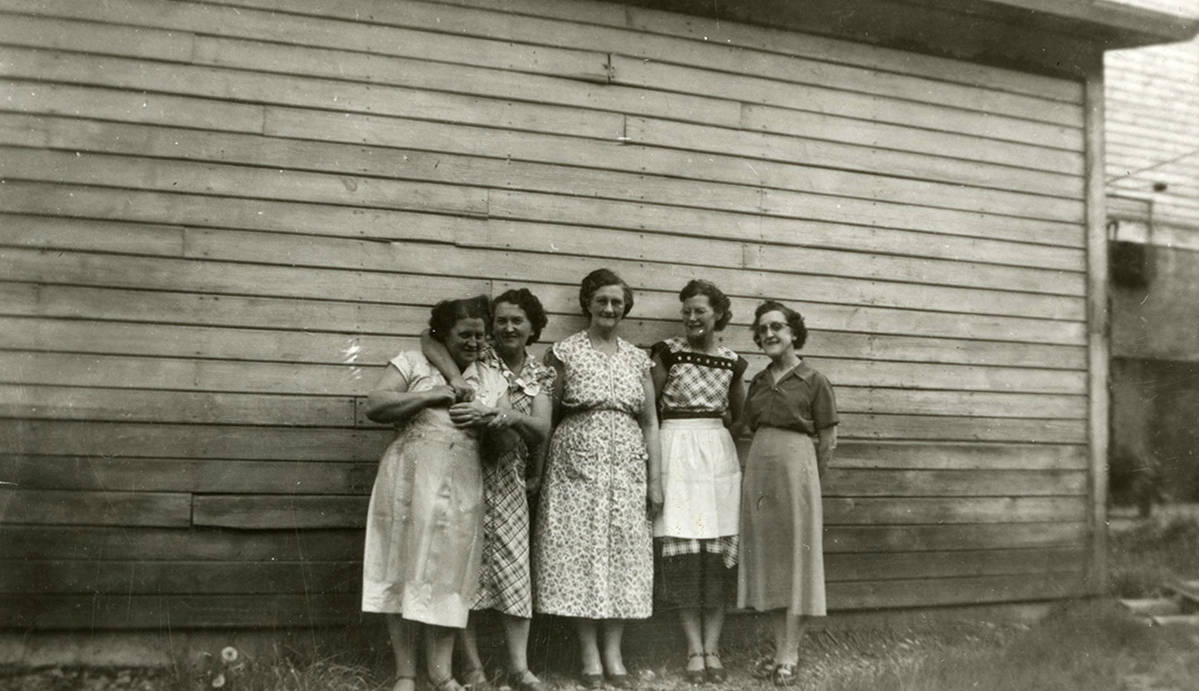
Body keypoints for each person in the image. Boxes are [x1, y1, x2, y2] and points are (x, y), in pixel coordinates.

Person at [362, 296, 510, 691]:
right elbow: (375, 404)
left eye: (480, 335)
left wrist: (490, 418)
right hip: (408, 481)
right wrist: (429, 396)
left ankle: (441, 674)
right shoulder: (413, 362)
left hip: (462, 485)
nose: (474, 343)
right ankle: (405, 674)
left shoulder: (492, 379)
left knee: (448, 578)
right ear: (443, 334)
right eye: (464, 335)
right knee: (400, 569)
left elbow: (507, 443)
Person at [533, 268, 663, 689]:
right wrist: (538, 471)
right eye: (602, 300)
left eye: (616, 302)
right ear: (587, 303)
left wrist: (655, 481)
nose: (609, 308)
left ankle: (614, 654)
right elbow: (548, 415)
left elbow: (650, 422)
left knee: (623, 554)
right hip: (575, 469)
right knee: (580, 555)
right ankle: (589, 655)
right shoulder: (564, 352)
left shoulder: (638, 359)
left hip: (626, 469)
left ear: (625, 308)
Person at [420, 289, 555, 691]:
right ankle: (473, 668)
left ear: (533, 328)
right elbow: (428, 339)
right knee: (466, 571)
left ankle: (520, 668)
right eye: (502, 321)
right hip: (467, 472)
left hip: (510, 478)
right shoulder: (479, 357)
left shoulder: (540, 373)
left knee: (515, 569)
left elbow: (541, 429)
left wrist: (502, 415)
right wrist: (457, 378)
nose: (509, 328)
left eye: (518, 321)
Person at [649, 279, 747, 685]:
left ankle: (713, 647)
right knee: (684, 551)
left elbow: (740, 418)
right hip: (675, 448)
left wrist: (718, 434)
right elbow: (648, 410)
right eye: (686, 311)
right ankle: (693, 649)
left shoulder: (733, 362)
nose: (691, 318)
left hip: (716, 455)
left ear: (718, 314)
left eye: (700, 311)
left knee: (716, 552)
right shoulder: (667, 353)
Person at [738, 300, 838, 687]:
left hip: (798, 473)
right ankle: (780, 649)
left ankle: (790, 654)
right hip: (761, 474)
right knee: (771, 562)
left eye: (776, 327)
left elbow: (828, 442)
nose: (769, 334)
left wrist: (808, 482)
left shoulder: (815, 380)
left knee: (798, 560)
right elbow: (746, 426)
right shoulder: (760, 381)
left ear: (793, 332)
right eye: (762, 329)